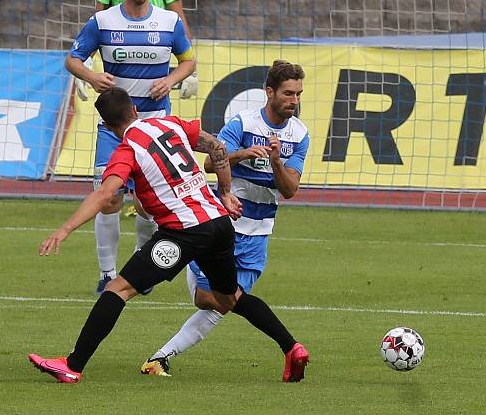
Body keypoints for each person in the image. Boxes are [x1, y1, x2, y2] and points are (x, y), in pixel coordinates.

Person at [28, 88, 308, 384]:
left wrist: (65, 229)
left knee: (118, 289)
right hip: (219, 223)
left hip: (184, 232)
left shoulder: (126, 150)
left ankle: (72, 365)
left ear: (108, 127)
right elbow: (216, 146)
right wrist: (225, 192)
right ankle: (292, 348)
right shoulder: (170, 123)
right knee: (228, 298)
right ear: (135, 109)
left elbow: (105, 194)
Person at [141, 59, 311, 382]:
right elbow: (210, 163)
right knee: (216, 299)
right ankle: (290, 347)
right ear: (270, 92)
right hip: (225, 224)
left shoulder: (299, 135)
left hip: (256, 235)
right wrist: (243, 154)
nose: (294, 101)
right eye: (288, 94)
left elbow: (289, 190)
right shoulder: (242, 124)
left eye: (299, 94)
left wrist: (276, 161)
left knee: (218, 301)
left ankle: (160, 357)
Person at [66, 0, 196, 295]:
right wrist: (92, 76)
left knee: (149, 202)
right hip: (115, 127)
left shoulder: (169, 21)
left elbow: (188, 60)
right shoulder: (103, 21)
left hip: (156, 124)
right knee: (108, 198)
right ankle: (107, 273)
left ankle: (141, 263)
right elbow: (72, 59)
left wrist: (171, 80)